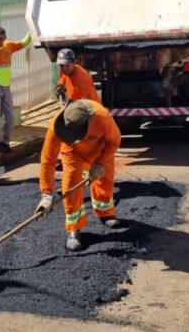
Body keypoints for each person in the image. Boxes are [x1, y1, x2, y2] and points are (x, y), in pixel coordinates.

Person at [35, 99, 123, 251]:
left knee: (105, 180)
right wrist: (46, 195)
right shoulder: (56, 125)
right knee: (70, 188)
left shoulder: (102, 118)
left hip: (100, 150)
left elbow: (114, 141)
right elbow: (48, 160)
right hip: (73, 154)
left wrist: (100, 164)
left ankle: (105, 212)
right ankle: (74, 228)